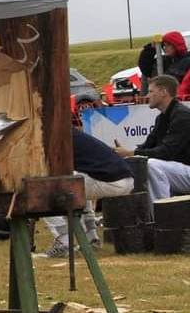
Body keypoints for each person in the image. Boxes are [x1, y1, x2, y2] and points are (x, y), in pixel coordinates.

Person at [42, 129, 134, 258]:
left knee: (43, 187)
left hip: (111, 180)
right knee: (77, 181)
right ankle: (91, 238)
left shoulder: (55, 136)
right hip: (124, 178)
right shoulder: (67, 133)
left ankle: (63, 241)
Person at [115, 75, 190, 212]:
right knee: (137, 164)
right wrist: (122, 154)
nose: (147, 95)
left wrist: (131, 153)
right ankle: (143, 217)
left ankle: (162, 216)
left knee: (151, 165)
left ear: (163, 92)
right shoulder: (161, 118)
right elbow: (146, 147)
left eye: (151, 91)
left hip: (186, 169)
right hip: (179, 171)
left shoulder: (182, 116)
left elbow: (165, 152)